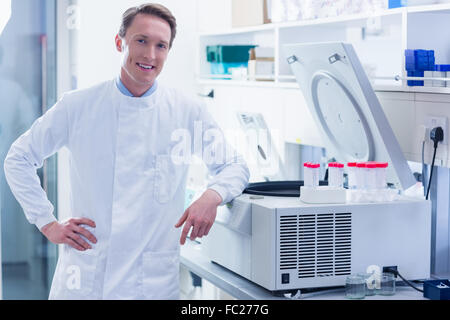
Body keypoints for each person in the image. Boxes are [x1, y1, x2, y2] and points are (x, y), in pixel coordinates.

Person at [3, 3, 249, 300]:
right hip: (87, 279)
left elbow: (235, 165)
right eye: (141, 41)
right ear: (120, 42)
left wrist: (212, 196)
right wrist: (47, 222)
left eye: (161, 45)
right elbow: (18, 158)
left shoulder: (187, 112)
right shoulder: (78, 106)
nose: (150, 55)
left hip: (151, 283)